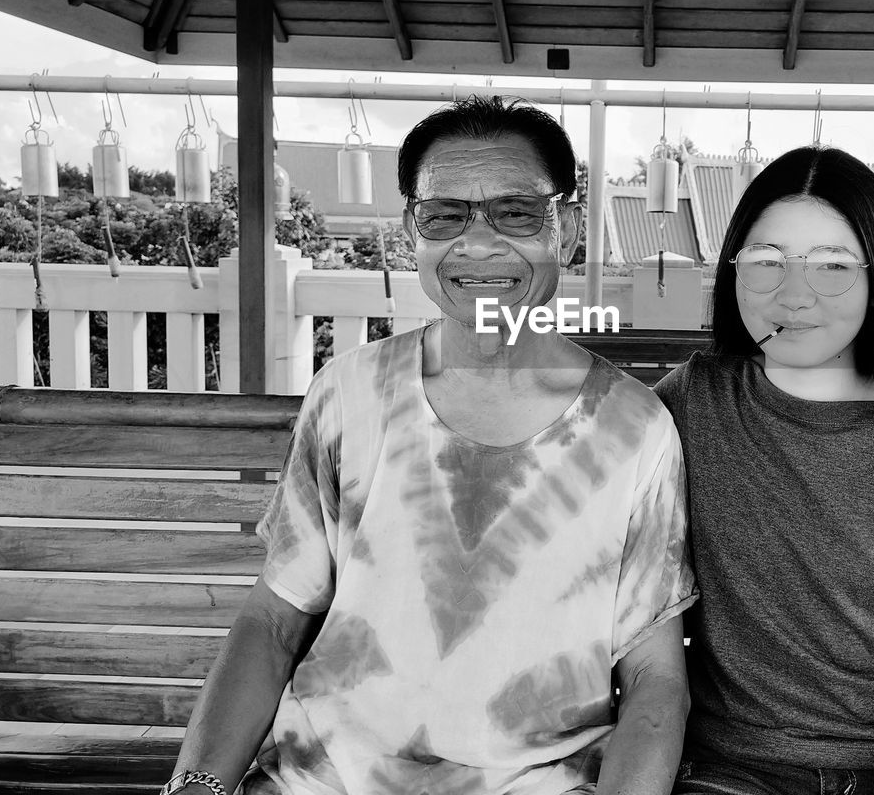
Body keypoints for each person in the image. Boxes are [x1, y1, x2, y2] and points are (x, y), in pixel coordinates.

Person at [160, 96, 696, 795]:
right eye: (445, 215)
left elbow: (656, 680)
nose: (477, 245)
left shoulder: (635, 428)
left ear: (565, 230)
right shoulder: (351, 392)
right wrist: (196, 786)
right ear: (414, 231)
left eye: (515, 213)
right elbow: (272, 622)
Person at [653, 146, 874, 795]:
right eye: (766, 262)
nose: (795, 294)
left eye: (833, 266)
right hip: (727, 772)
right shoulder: (696, 401)